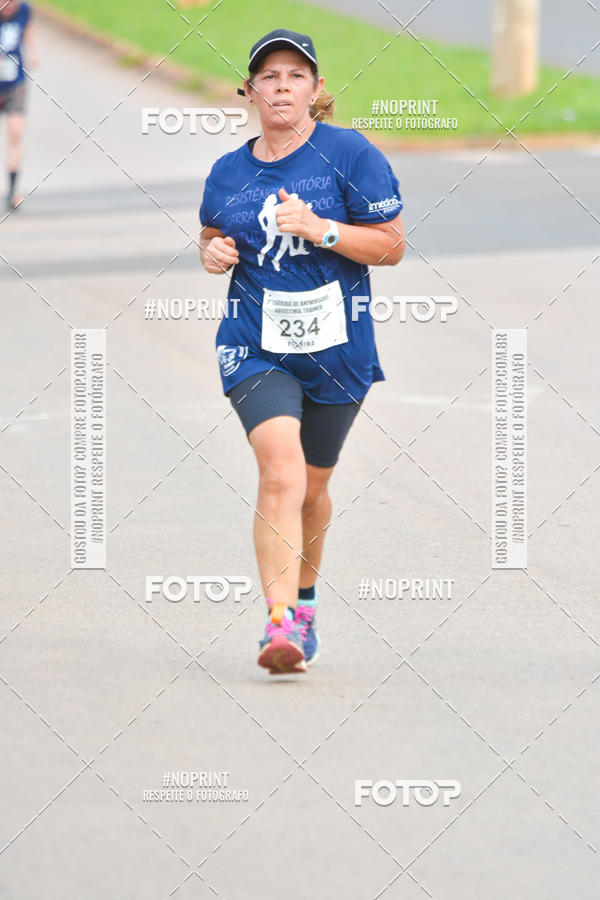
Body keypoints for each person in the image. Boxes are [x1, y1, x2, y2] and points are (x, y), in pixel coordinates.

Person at [199, 28, 405, 675]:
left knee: (313, 491)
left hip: (338, 352)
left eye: (295, 76)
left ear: (315, 91)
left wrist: (323, 229)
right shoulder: (230, 170)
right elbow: (210, 230)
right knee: (280, 472)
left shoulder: (349, 155)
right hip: (254, 346)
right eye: (270, 77)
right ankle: (279, 624)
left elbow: (392, 243)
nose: (282, 86)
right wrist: (211, 252)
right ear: (251, 92)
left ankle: (306, 603)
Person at [0, 0, 37, 210]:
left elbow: (29, 29)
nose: (9, 6)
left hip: (15, 83)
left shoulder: (24, 10)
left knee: (15, 133)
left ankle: (13, 191)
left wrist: (32, 51)